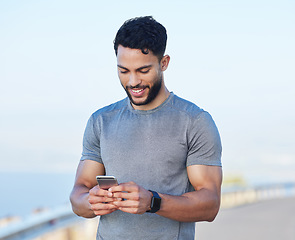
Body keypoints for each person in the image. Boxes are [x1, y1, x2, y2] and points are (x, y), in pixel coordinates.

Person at [70, 16, 222, 240]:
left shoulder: (195, 121)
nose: (132, 82)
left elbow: (210, 205)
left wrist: (153, 202)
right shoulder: (101, 121)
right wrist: (91, 201)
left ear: (164, 63)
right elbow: (78, 195)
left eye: (143, 70)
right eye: (123, 71)